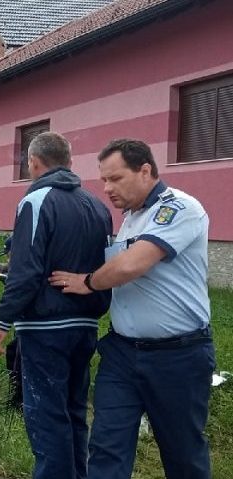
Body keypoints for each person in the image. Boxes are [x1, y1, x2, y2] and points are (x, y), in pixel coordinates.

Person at [49, 139, 216, 479]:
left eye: (116, 178)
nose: (107, 188)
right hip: (122, 354)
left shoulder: (179, 208)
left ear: (145, 171)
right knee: (107, 447)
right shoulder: (131, 218)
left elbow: (132, 265)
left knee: (183, 454)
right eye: (104, 180)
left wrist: (89, 281)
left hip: (177, 358)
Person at [0, 132, 112, 479]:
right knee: (74, 411)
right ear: (70, 163)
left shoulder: (37, 201)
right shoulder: (97, 206)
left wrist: (2, 323)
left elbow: (25, 271)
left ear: (33, 162)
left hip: (46, 327)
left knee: (46, 415)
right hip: (86, 325)